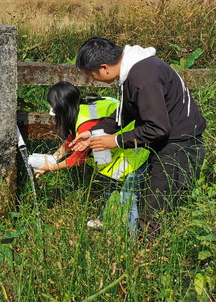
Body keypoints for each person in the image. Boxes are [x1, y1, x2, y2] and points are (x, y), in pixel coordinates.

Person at [70, 38, 206, 241]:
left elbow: (157, 128)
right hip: (169, 143)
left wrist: (114, 141)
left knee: (155, 211)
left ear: (104, 68)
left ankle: (147, 259)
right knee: (153, 203)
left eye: (92, 75)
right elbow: (125, 113)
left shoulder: (143, 77)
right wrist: (94, 132)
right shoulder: (135, 70)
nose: (93, 80)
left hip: (179, 146)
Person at [35, 81, 150, 232]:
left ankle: (132, 239)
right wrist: (54, 157)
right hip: (120, 154)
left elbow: (78, 158)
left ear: (62, 108)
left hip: (135, 156)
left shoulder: (85, 123)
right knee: (109, 188)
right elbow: (71, 140)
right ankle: (103, 220)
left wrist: (52, 167)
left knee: (128, 198)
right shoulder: (82, 109)